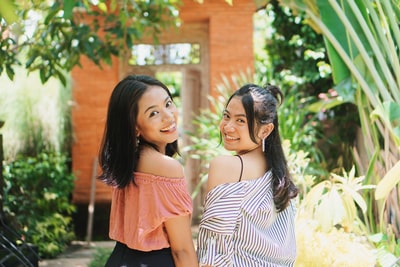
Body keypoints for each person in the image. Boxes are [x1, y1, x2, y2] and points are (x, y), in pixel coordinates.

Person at [98, 74, 198, 267]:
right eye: (153, 113)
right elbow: (182, 250)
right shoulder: (166, 167)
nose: (168, 116)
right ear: (135, 126)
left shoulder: (125, 162)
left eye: (168, 104)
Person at [197, 83, 299, 267]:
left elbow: (212, 251)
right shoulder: (280, 176)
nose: (228, 127)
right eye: (226, 116)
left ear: (265, 130)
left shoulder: (226, 166)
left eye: (240, 121)